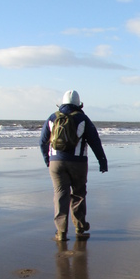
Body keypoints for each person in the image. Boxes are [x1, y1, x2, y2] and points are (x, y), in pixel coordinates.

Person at [40, 90, 108, 241]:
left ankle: (61, 231)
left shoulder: (52, 118)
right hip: (78, 163)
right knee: (78, 194)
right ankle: (80, 226)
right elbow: (95, 142)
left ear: (62, 103)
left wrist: (48, 160)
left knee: (60, 194)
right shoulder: (83, 119)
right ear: (79, 104)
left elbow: (42, 141)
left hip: (56, 163)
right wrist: (102, 161)